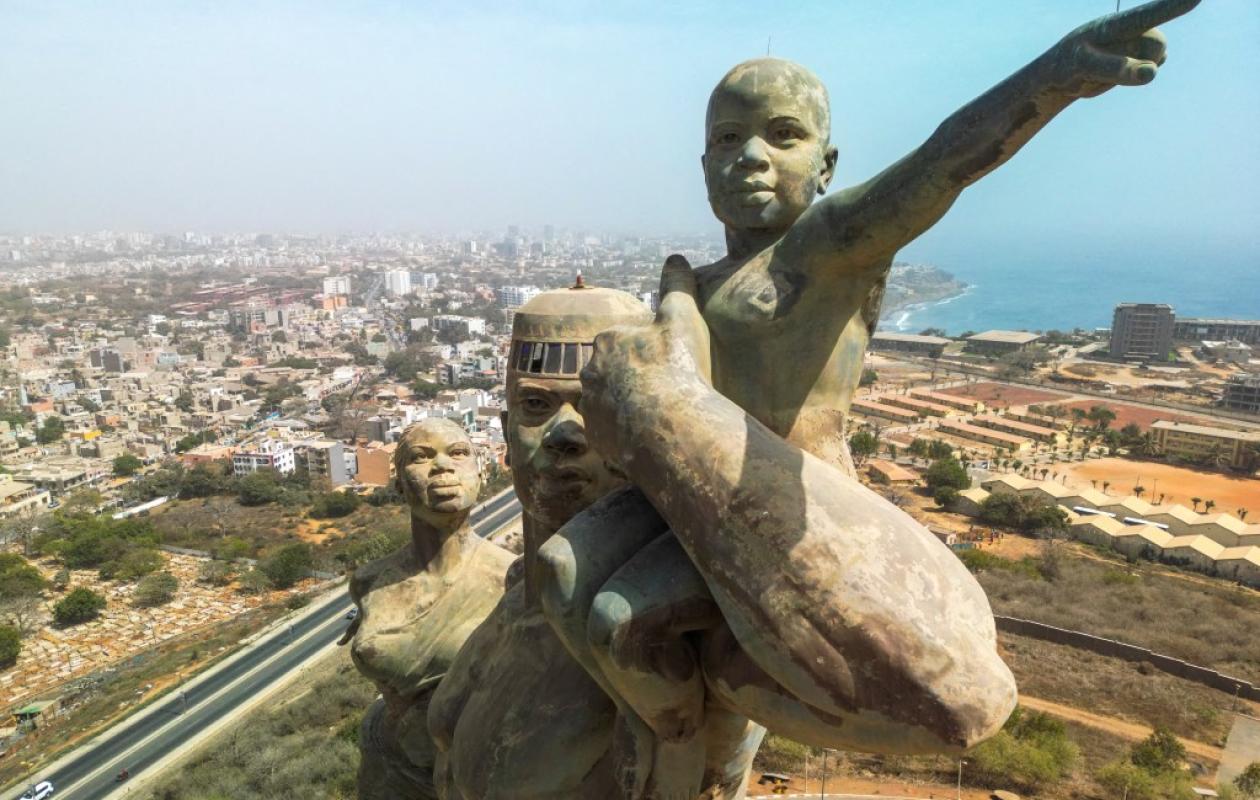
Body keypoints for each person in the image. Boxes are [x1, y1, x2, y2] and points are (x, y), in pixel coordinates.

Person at [537, 0, 1200, 795]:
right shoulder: (704, 283)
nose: (750, 156)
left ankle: (690, 747)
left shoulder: (823, 251)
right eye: (726, 138)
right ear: (703, 162)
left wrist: (1049, 80)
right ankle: (670, 725)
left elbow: (942, 163)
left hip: (793, 501)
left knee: (619, 620)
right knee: (558, 574)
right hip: (686, 500)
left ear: (826, 165)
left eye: (783, 135)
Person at [340, 418, 514, 799]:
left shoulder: (511, 581)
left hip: (472, 778)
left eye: (458, 453)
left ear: (481, 473)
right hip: (387, 768)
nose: (442, 466)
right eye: (422, 456)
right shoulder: (370, 581)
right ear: (399, 481)